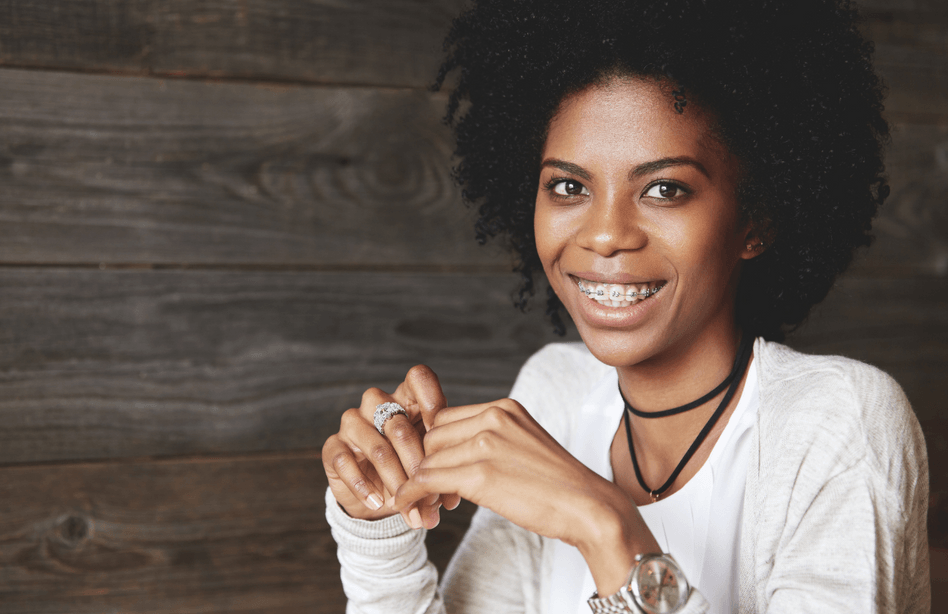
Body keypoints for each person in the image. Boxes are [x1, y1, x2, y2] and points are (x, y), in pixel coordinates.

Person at [320, 0, 930, 612]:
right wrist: (381, 522)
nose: (605, 233)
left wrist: (606, 526)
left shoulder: (839, 422)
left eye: (664, 189)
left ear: (756, 220)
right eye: (569, 186)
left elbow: (601, 525)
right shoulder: (555, 392)